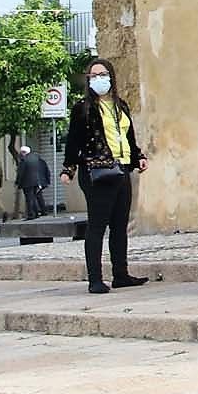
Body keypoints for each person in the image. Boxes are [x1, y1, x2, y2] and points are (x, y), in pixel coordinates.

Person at [61, 58, 149, 294]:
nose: (99, 79)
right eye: (94, 75)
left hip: (121, 169)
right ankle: (95, 279)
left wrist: (138, 156)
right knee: (98, 225)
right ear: (89, 80)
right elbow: (74, 140)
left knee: (120, 224)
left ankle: (121, 274)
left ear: (111, 77)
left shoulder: (120, 105)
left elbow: (127, 137)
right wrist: (68, 168)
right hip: (97, 171)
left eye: (103, 74)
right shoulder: (84, 108)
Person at [16, 145, 47, 219]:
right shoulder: (35, 158)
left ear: (23, 152)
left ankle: (31, 214)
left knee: (29, 199)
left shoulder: (24, 160)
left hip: (27, 182)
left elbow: (21, 173)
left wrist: (18, 182)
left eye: (21, 153)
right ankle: (36, 213)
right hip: (36, 181)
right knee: (34, 197)